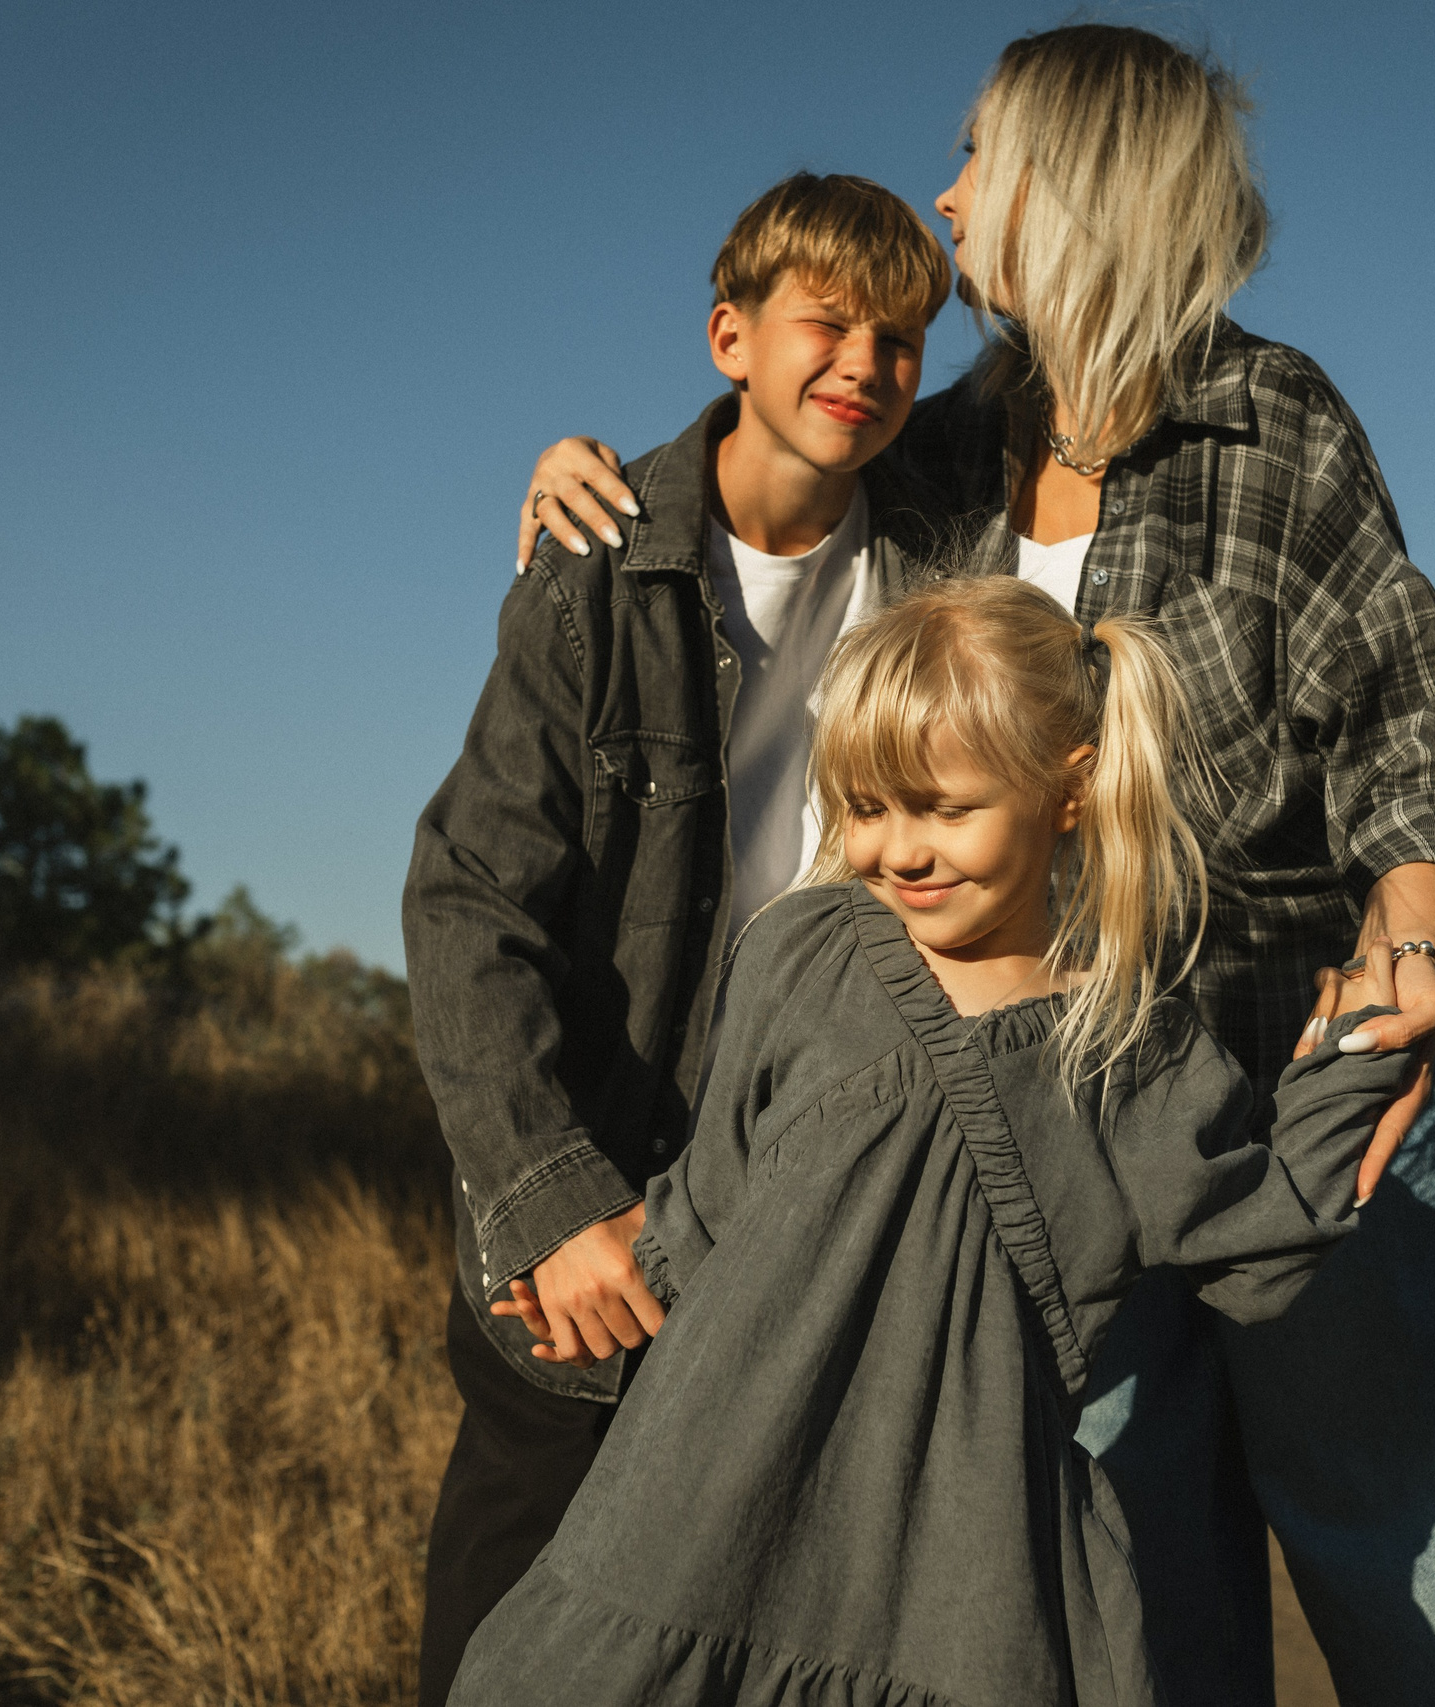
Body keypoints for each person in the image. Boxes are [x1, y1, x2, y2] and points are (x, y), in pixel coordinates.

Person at [515, 25, 1435, 1707]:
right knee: (1117, 1607)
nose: (944, 193)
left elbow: (1401, 701)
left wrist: (1408, 941)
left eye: (976, 156)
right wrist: (612, 486)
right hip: (1060, 1104)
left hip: (1310, 1069)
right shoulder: (940, 454)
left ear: (1078, 186)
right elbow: (769, 477)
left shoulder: (1274, 421)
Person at [452, 577, 1417, 1707]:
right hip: (702, 1506)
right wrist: (604, 1280)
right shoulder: (800, 952)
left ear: (1072, 788)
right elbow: (708, 1199)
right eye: (864, 808)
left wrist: (1360, 1054)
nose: (896, 850)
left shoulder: (1128, 1049)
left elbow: (1261, 1244)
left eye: (942, 809)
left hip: (959, 1580)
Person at [399, 171, 956, 1707]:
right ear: (730, 335)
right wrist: (551, 1197)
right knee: (518, 1625)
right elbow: (466, 901)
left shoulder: (929, 571)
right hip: (593, 1201)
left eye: (902, 340)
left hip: (794, 1195)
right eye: (825, 323)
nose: (864, 363)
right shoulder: (599, 569)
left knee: (752, 1624)